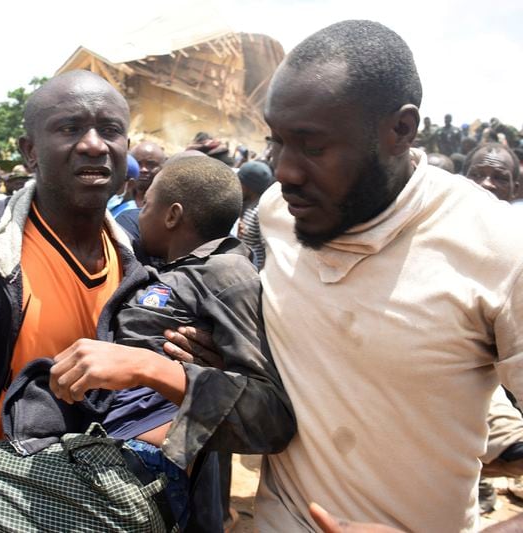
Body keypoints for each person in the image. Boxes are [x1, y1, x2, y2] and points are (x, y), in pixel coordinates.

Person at [0, 141, 295, 532]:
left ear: (173, 215)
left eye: (147, 201)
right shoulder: (148, 256)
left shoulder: (228, 276)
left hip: (131, 471)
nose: (137, 211)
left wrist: (157, 370)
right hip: (86, 453)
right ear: (31, 152)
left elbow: (269, 415)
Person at [194, 20, 523, 532]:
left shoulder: (497, 248)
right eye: (276, 141)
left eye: (313, 146)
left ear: (400, 130)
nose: (284, 171)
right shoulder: (282, 212)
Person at [236, 160, 274, 269]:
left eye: (239, 182)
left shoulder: (260, 211)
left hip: (251, 270)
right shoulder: (244, 204)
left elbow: (268, 249)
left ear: (248, 186)